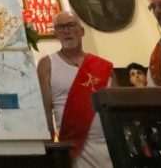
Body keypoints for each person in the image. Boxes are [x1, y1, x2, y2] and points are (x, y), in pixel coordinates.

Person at [36, 12, 113, 167]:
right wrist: (50, 152)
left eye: (71, 25)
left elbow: (116, 110)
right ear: (55, 33)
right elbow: (44, 112)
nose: (66, 31)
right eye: (60, 27)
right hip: (73, 148)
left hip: (109, 146)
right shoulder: (47, 64)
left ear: (82, 31)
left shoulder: (103, 67)